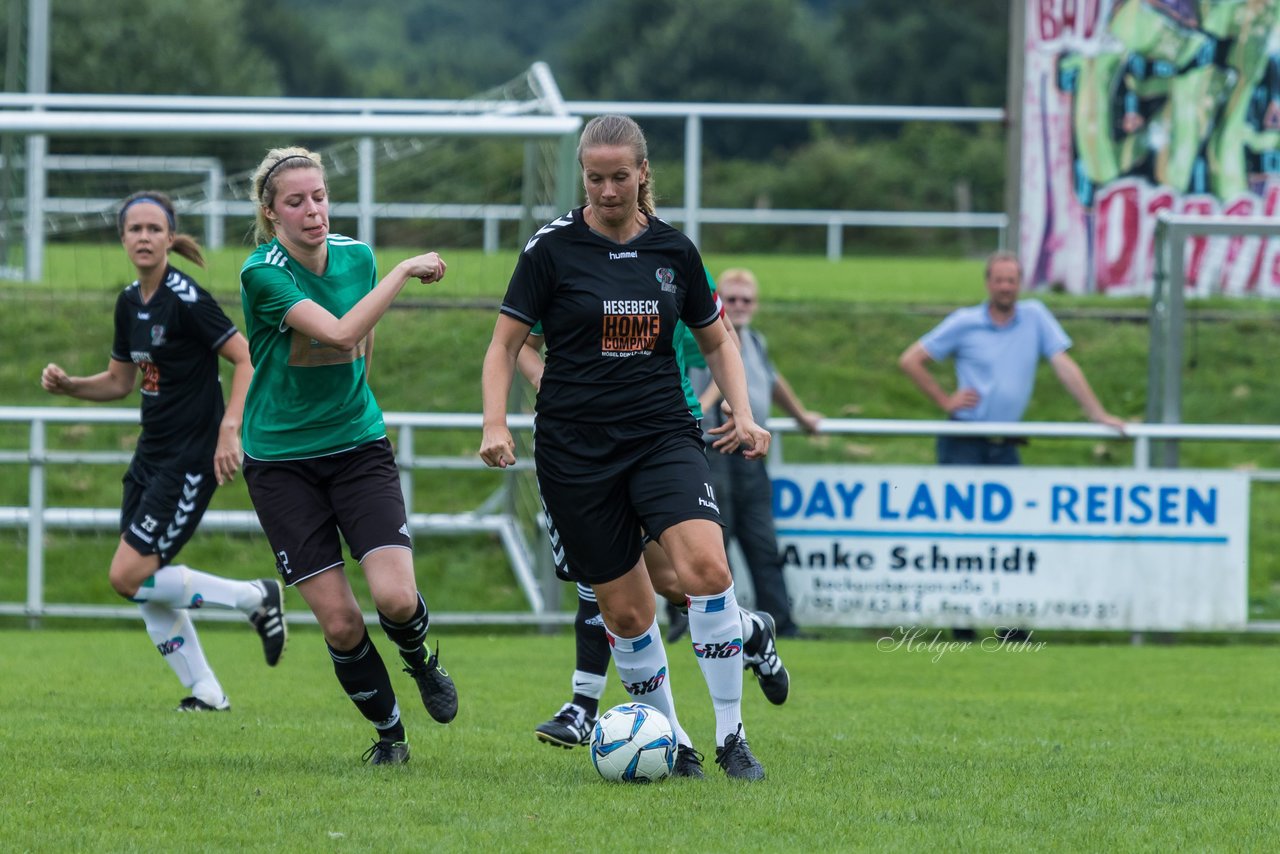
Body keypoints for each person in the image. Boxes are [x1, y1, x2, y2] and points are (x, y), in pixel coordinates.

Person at [480, 114, 771, 780]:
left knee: (706, 571)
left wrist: (746, 413)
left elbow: (718, 340)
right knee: (628, 609)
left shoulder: (675, 251)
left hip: (661, 432)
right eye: (594, 177)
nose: (607, 191)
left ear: (643, 173)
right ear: (582, 174)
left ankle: (732, 738)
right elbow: (503, 344)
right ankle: (677, 742)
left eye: (619, 177)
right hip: (574, 451)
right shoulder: (549, 249)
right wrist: (495, 424)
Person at [238, 147, 457, 765]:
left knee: (394, 598)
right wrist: (406, 268)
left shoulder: (357, 257)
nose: (313, 212)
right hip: (281, 462)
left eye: (320, 197)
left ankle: (419, 660)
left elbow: (363, 348)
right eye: (296, 202)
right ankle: (391, 734)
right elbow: (338, 332)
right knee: (340, 622)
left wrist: (361, 410)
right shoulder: (263, 272)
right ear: (271, 213)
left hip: (357, 448)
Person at [40, 190, 286, 713]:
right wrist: (70, 387)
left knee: (127, 576)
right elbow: (117, 382)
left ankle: (254, 597)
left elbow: (246, 358)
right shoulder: (130, 301)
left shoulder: (186, 299)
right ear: (123, 238)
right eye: (136, 229)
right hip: (149, 458)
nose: (145, 237)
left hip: (189, 459)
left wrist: (230, 428)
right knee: (142, 585)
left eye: (155, 229)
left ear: (170, 237)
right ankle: (207, 692)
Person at [516, 319, 790, 754]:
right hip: (581, 447)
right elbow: (516, 341)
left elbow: (723, 341)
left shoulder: (671, 262)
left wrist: (724, 403)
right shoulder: (558, 258)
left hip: (660, 441)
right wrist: (553, 387)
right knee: (642, 585)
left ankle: (585, 704)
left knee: (692, 578)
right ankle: (749, 630)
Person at [898, 249, 1126, 639]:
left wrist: (1097, 414)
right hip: (964, 441)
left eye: (1012, 279)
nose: (1005, 286)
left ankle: (1010, 622)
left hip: (1005, 445)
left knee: (1010, 532)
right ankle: (962, 622)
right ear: (988, 283)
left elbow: (1064, 365)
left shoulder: (1035, 317)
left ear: (1019, 283)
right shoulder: (965, 322)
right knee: (961, 532)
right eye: (999, 279)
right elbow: (911, 360)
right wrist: (944, 400)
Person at [690, 267, 816, 640]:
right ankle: (706, 624)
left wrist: (802, 417)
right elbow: (719, 375)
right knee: (714, 545)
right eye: (731, 300)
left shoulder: (756, 341)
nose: (739, 306)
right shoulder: (703, 337)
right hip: (713, 449)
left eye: (746, 300)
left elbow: (773, 382)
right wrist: (710, 403)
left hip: (750, 453)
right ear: (718, 303)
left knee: (763, 542)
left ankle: (780, 624)